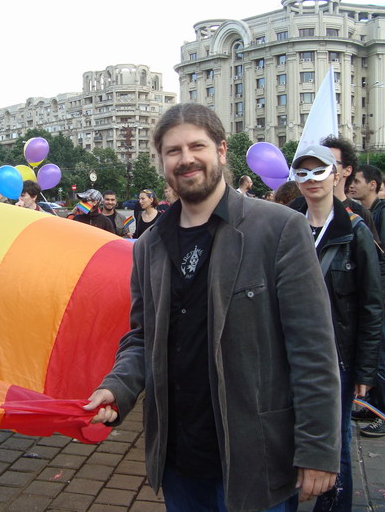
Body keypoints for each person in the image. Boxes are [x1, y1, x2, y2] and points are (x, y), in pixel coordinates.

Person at [84, 103, 341, 512]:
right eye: (173, 151)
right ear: (162, 162)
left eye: (196, 146)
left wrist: (318, 448)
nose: (186, 159)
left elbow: (313, 349)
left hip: (254, 453)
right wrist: (117, 388)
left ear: (221, 150)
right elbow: (142, 336)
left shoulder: (278, 229)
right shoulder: (149, 245)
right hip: (180, 456)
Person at [290, 145, 384, 512]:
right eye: (303, 173)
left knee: (335, 441)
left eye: (319, 172)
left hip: (337, 357)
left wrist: (366, 368)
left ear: (336, 175)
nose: (311, 181)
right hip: (291, 352)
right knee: (291, 435)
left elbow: (371, 304)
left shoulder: (355, 230)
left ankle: (333, 506)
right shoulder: (285, 224)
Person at [349, 164, 385, 437]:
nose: (352, 185)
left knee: (381, 357)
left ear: (373, 184)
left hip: (377, 300)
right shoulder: (365, 213)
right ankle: (373, 406)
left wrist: (373, 297)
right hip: (370, 298)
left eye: (357, 181)